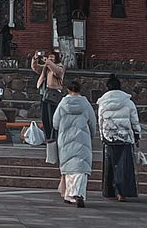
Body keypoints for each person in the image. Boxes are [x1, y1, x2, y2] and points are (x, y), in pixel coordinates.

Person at [52, 79, 96, 207]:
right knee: (81, 168)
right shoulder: (86, 104)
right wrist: (91, 136)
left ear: (68, 90)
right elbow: (92, 123)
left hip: (65, 139)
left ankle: (68, 195)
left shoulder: (63, 103)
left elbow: (55, 123)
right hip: (82, 139)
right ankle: (79, 193)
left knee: (68, 167)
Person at [97, 74, 141, 201]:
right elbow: (134, 120)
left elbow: (100, 121)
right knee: (124, 165)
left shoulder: (103, 103)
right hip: (125, 137)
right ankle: (121, 192)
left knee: (110, 165)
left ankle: (110, 190)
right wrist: (137, 135)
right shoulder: (128, 102)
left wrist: (102, 136)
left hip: (109, 137)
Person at [32, 48, 65, 143]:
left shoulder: (59, 67)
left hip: (53, 94)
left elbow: (57, 72)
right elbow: (36, 68)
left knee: (52, 117)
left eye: (52, 57)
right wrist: (35, 58)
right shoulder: (46, 67)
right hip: (44, 94)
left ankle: (53, 136)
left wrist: (49, 63)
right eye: (49, 57)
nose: (50, 59)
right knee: (44, 116)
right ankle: (47, 136)